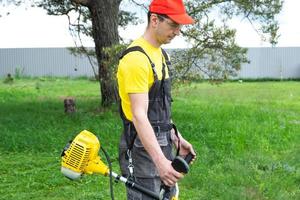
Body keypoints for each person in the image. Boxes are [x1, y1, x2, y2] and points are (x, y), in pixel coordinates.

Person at [117, 0, 196, 199]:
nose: (177, 31)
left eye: (180, 26)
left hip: (162, 141)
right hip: (141, 148)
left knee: (168, 194)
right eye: (173, 25)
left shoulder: (160, 54)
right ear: (154, 20)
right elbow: (139, 115)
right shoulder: (136, 59)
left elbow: (159, 109)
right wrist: (160, 162)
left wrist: (175, 137)